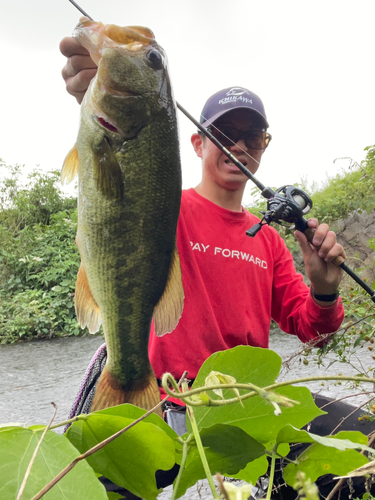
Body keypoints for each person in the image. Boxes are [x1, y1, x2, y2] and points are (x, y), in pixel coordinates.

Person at [60, 36, 371, 500]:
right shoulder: (164, 206)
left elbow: (314, 331)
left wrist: (324, 289)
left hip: (242, 410)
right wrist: (95, 91)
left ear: (264, 146)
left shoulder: (268, 240)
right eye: (226, 134)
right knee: (84, 488)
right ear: (197, 141)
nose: (240, 146)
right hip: (160, 404)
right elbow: (114, 187)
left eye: (254, 136)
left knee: (363, 445)